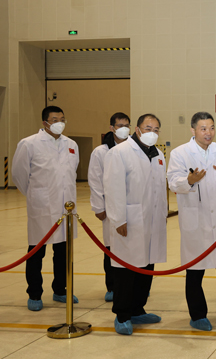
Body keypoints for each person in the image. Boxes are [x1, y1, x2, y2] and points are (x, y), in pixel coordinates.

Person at [167, 112, 216, 331]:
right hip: (196, 220)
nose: (208, 132)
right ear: (193, 130)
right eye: (203, 128)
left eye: (211, 128)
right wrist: (189, 180)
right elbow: (173, 182)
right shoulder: (180, 153)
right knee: (195, 270)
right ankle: (197, 315)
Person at [103, 113, 167, 335]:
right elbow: (113, 188)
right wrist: (118, 218)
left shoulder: (157, 154)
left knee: (146, 266)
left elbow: (160, 188)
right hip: (129, 220)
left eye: (156, 129)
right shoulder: (119, 152)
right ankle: (122, 314)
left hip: (152, 220)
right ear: (137, 129)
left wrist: (162, 213)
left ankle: (138, 309)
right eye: (148, 128)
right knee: (126, 269)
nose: (152, 133)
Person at [12, 106, 80, 311]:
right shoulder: (29, 144)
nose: (60, 123)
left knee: (63, 253)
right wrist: (36, 195)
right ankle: (34, 293)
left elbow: (72, 172)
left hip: (66, 209)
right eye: (55, 119)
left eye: (62, 119)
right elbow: (19, 175)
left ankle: (60, 289)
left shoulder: (71, 144)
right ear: (45, 123)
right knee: (36, 252)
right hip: (41, 207)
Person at [88, 112, 131, 302]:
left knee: (133, 248)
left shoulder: (135, 148)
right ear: (112, 128)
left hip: (133, 206)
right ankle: (112, 287)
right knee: (111, 248)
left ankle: (135, 286)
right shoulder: (101, 152)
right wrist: (99, 206)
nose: (124, 129)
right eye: (120, 125)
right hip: (111, 207)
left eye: (127, 125)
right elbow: (95, 180)